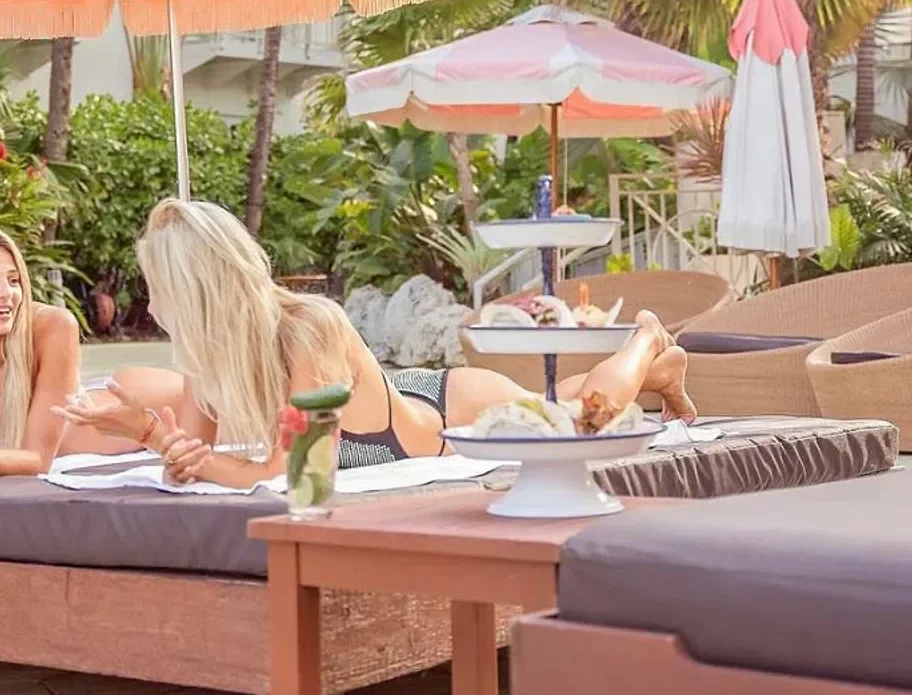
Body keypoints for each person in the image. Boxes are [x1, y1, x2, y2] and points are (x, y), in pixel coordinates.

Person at [56, 198, 697, 490]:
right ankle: (661, 375)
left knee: (583, 417)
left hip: (447, 412)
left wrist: (152, 438)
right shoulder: (207, 352)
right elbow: (200, 459)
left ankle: (644, 342)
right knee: (568, 400)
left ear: (192, 289)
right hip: (383, 397)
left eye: (154, 284)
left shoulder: (308, 326)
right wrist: (167, 446)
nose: (150, 300)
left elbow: (301, 474)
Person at [0, 222, 180, 485]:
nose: (6, 293)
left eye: (13, 280)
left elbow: (37, 461)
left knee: (214, 407)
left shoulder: (53, 326)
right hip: (98, 395)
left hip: (156, 404)